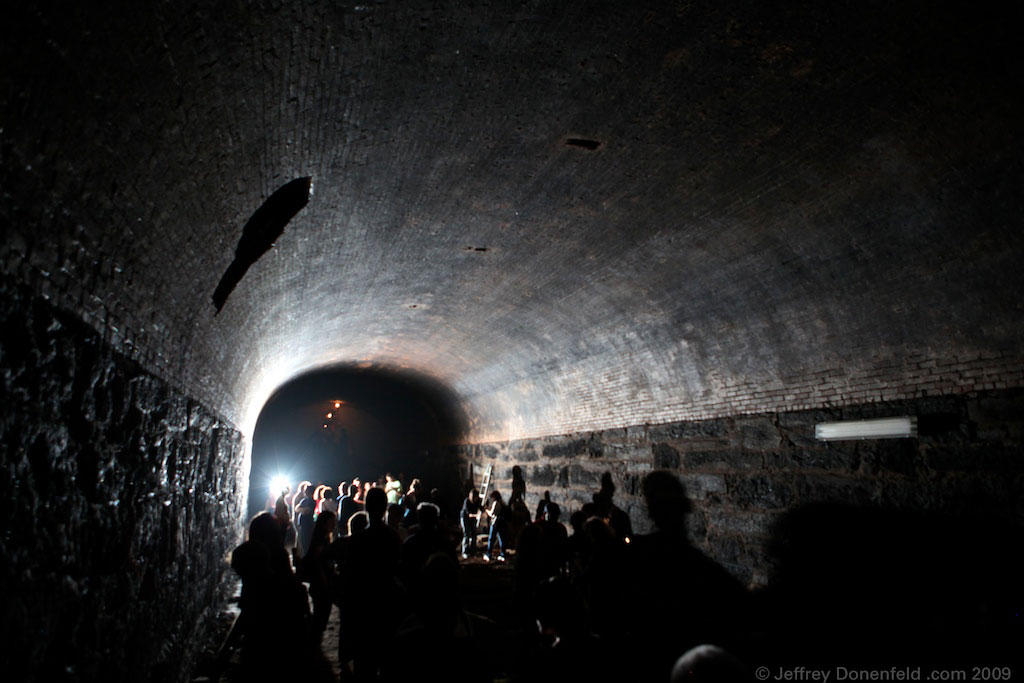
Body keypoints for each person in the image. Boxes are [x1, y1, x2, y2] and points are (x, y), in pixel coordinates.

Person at [485, 490, 509, 562]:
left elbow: (492, 514)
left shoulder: (496, 503)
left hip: (496, 523)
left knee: (491, 539)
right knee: (502, 539)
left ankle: (488, 554)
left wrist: (486, 510)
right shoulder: (503, 502)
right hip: (502, 523)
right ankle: (503, 554)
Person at [460, 489, 482, 558]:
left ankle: (473, 551)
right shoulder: (466, 501)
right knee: (466, 534)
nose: (476, 498)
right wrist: (476, 515)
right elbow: (468, 514)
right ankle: (465, 552)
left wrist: (485, 508)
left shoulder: (477, 501)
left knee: (474, 534)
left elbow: (481, 508)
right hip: (465, 518)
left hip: (472, 518)